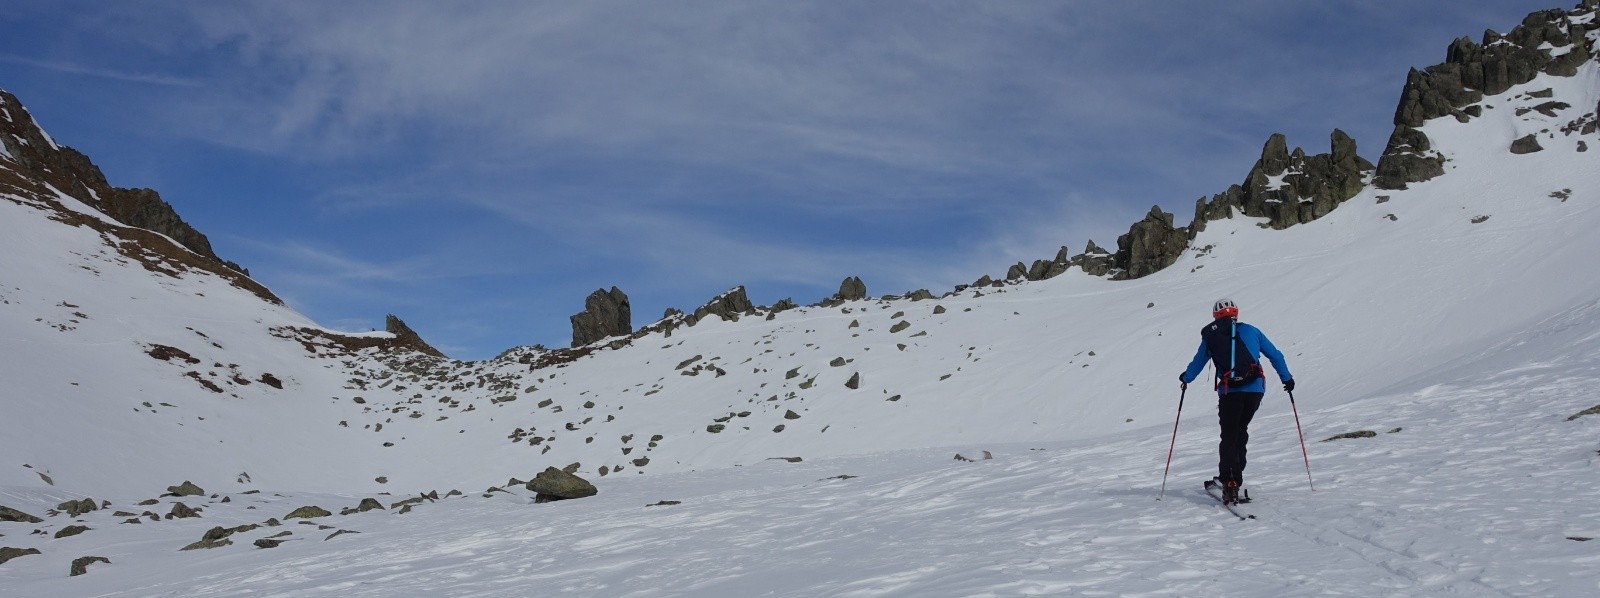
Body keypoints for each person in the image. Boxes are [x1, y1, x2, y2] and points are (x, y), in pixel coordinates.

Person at [1179, 298, 1293, 504]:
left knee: (1230, 434)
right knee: (1241, 430)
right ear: (1236, 314)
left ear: (1216, 316)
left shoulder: (1213, 337)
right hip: (1255, 390)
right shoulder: (1252, 331)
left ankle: (1230, 481)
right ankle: (1235, 476)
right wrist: (1287, 379)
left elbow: (1198, 362)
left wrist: (1186, 378)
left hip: (1230, 392)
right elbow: (1275, 355)